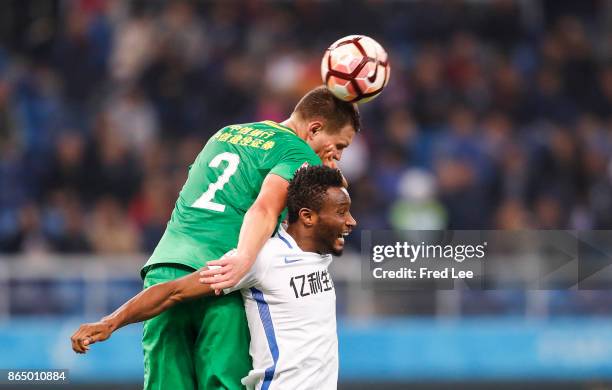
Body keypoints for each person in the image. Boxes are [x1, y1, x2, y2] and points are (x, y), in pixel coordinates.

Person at [133, 86, 359, 389]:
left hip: (166, 269)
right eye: (339, 146)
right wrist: (244, 257)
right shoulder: (299, 152)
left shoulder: (226, 134)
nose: (338, 156)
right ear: (314, 128)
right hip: (221, 278)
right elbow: (265, 207)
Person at [71, 165, 357, 390]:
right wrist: (110, 322)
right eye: (342, 213)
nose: (351, 221)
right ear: (307, 217)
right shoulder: (263, 258)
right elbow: (175, 291)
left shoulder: (321, 253)